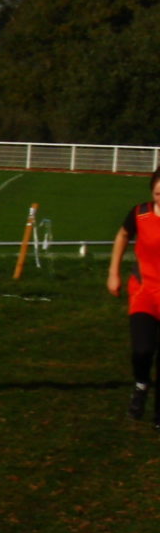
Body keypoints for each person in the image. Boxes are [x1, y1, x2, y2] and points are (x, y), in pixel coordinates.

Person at [104, 167, 160, 424]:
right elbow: (123, 235)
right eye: (158, 193)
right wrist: (113, 273)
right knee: (142, 350)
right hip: (144, 292)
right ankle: (141, 385)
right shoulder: (140, 214)